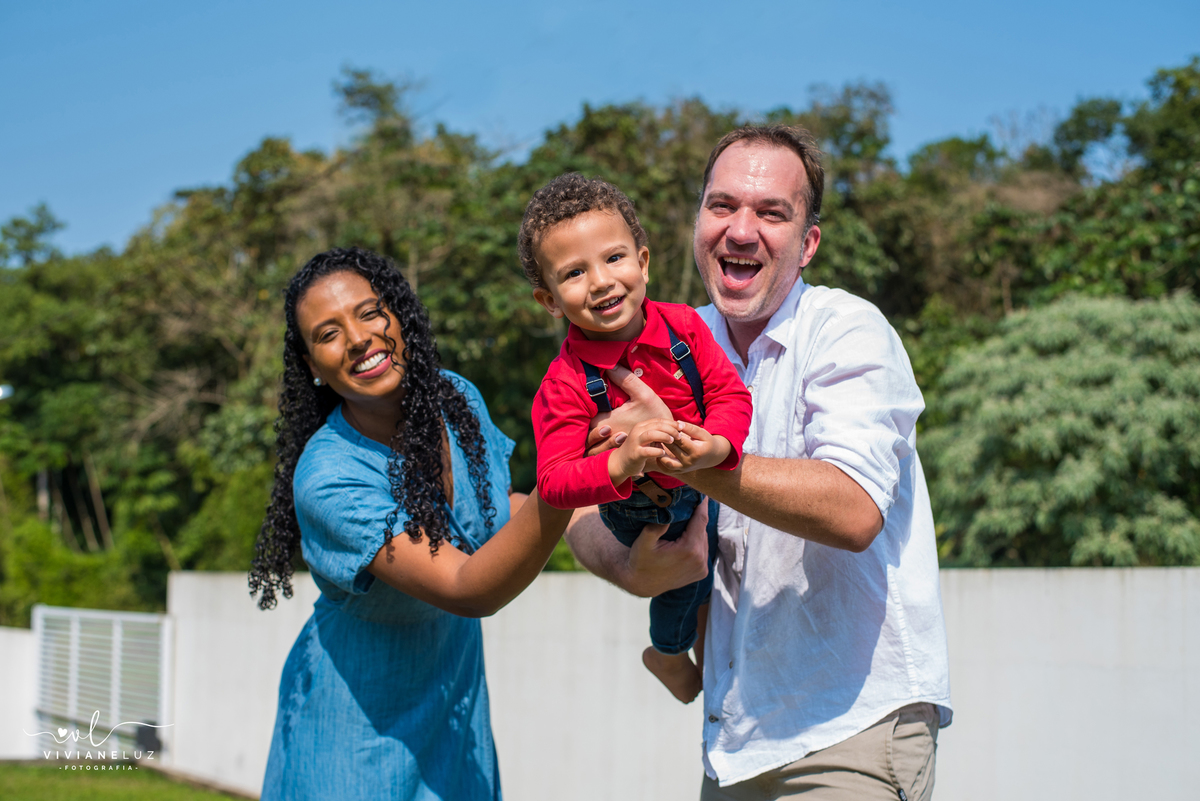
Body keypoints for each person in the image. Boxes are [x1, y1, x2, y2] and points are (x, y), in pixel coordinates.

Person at [565, 125, 953, 801]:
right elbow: (577, 506)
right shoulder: (667, 339)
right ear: (696, 226)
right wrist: (631, 563)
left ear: (807, 244)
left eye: (772, 212)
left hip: (850, 731)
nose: (741, 229)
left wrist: (679, 453)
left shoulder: (845, 329)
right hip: (733, 745)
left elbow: (855, 507)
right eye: (722, 206)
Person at [248, 247, 574, 801]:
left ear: (399, 315)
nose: (357, 339)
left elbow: (505, 514)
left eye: (370, 312)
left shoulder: (456, 399)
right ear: (311, 366)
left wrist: (619, 504)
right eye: (327, 334)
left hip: (455, 721)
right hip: (352, 740)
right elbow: (466, 588)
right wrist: (579, 477)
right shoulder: (329, 477)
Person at [518, 174, 753, 702]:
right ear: (549, 300)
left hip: (703, 480)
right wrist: (619, 466)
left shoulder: (686, 328)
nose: (601, 282)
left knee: (716, 558)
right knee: (687, 571)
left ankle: (701, 645)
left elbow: (730, 397)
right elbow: (554, 483)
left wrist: (717, 446)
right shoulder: (563, 384)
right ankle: (665, 652)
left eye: (614, 259)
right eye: (574, 273)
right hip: (640, 508)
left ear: (643, 263)